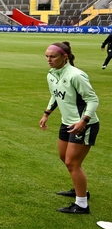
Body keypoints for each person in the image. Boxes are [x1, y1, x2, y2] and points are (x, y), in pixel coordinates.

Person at [39, 41, 100, 214]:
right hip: (67, 123)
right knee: (64, 157)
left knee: (72, 162)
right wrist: (46, 113)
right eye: (47, 57)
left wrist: (84, 121)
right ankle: (80, 189)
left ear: (64, 57)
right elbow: (55, 95)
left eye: (53, 57)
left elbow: (93, 100)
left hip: (84, 125)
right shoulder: (52, 74)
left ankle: (81, 204)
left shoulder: (76, 75)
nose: (49, 60)